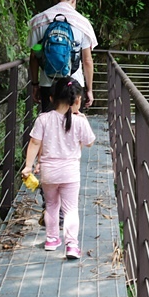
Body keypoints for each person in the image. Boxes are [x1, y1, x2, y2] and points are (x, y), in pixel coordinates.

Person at [22, 77, 96, 259]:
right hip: (70, 173)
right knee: (70, 209)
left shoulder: (43, 119)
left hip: (48, 173)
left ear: (51, 98)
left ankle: (51, 239)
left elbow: (34, 142)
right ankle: (71, 245)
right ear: (77, 100)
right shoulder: (80, 121)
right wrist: (84, 120)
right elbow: (89, 142)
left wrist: (28, 167)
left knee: (52, 206)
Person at [28, 0, 97, 112]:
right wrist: (89, 90)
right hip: (74, 84)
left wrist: (35, 84)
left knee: (49, 125)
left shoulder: (38, 20)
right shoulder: (82, 23)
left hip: (48, 83)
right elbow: (87, 60)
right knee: (73, 125)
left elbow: (33, 57)